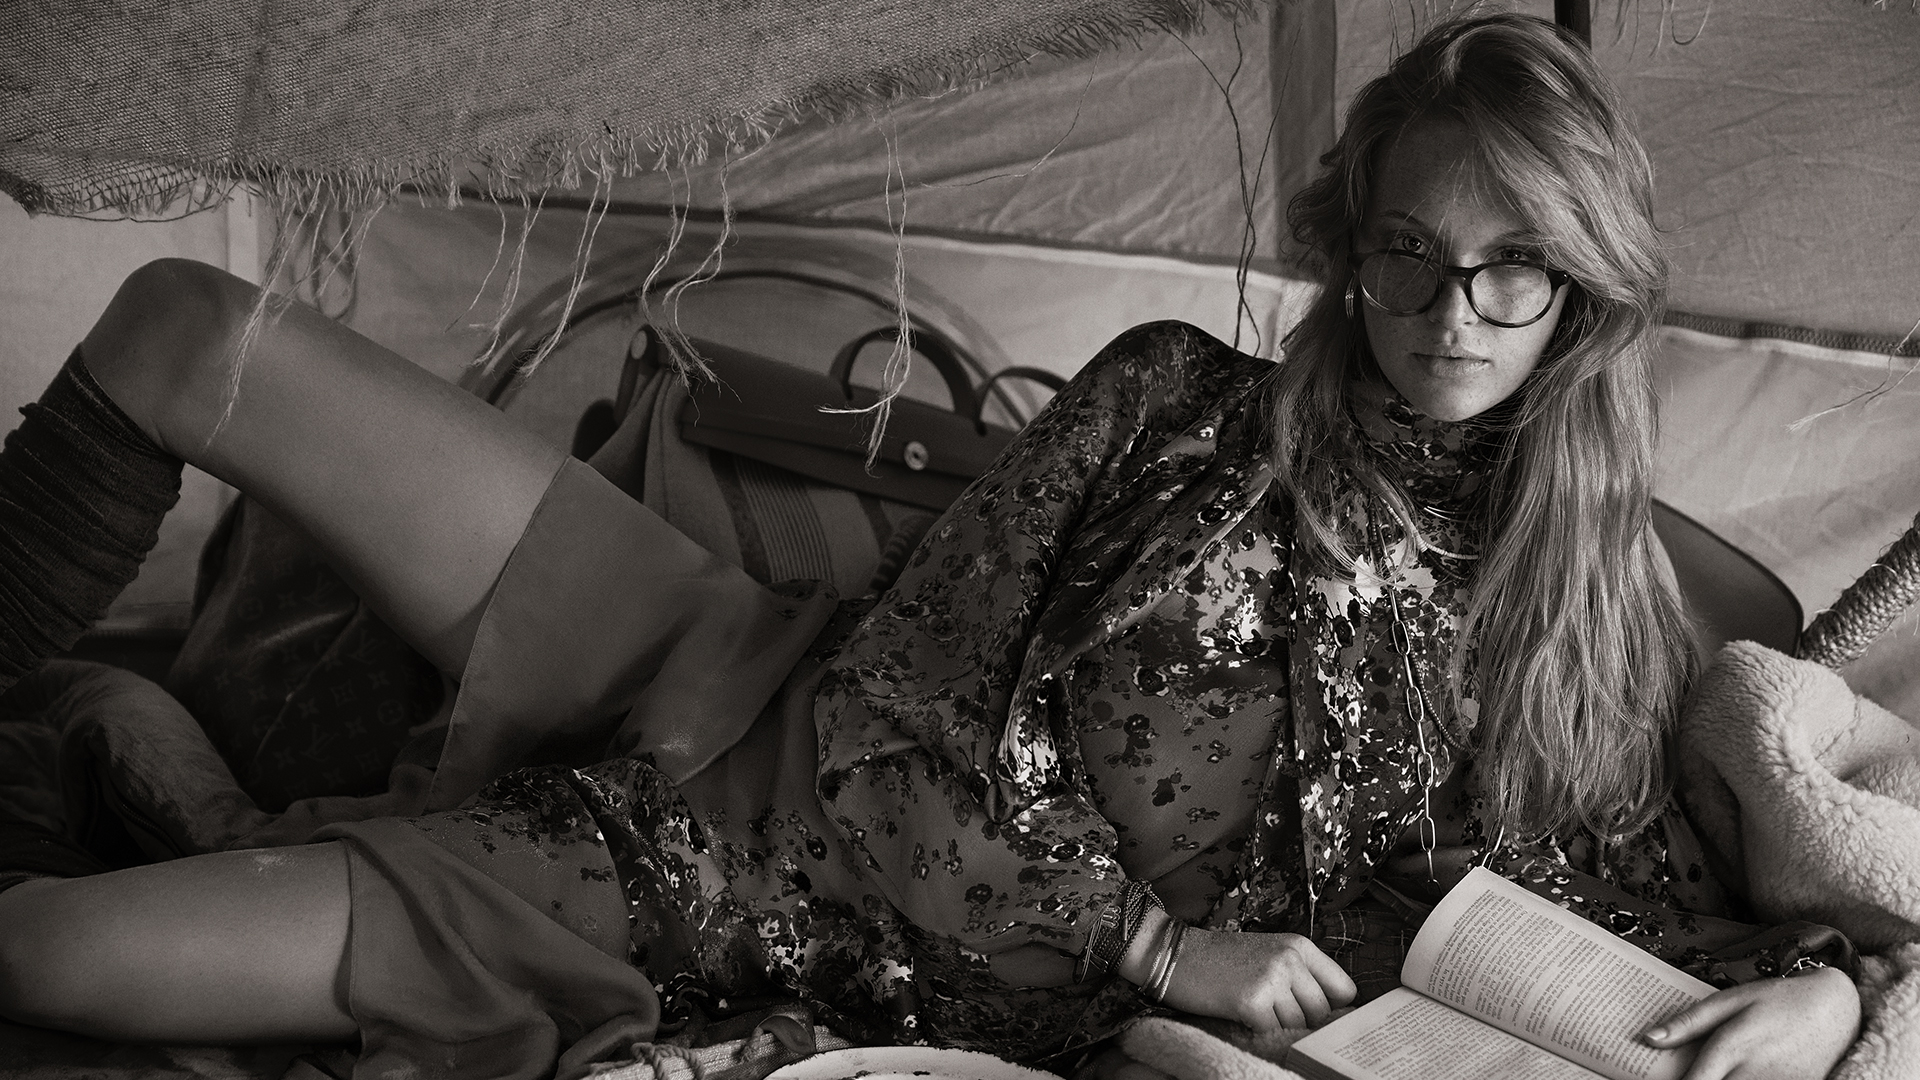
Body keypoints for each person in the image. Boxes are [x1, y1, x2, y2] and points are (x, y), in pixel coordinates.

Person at [0, 12, 1865, 1080]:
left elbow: (1625, 904)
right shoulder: (1172, 396)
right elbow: (899, 693)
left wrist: (1831, 983)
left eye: (1514, 268)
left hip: (728, 891)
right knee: (181, 321)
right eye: (1408, 252)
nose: (1452, 311)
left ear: (1583, 290)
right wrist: (1158, 945)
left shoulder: (1589, 604)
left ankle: (162, 782)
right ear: (1348, 245)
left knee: (50, 957)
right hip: (732, 676)